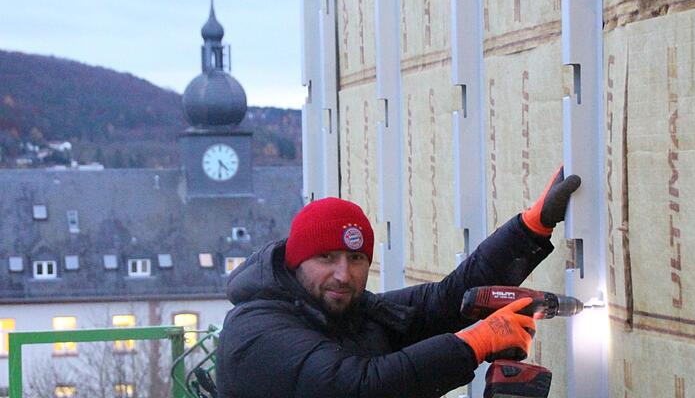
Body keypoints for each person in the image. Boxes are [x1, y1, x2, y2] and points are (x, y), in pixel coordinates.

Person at [216, 166, 580, 398]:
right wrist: (475, 342)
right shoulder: (256, 331)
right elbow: (358, 387)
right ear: (296, 262)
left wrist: (531, 227)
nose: (343, 274)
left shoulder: (350, 314)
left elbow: (447, 300)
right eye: (326, 257)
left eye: (356, 259)